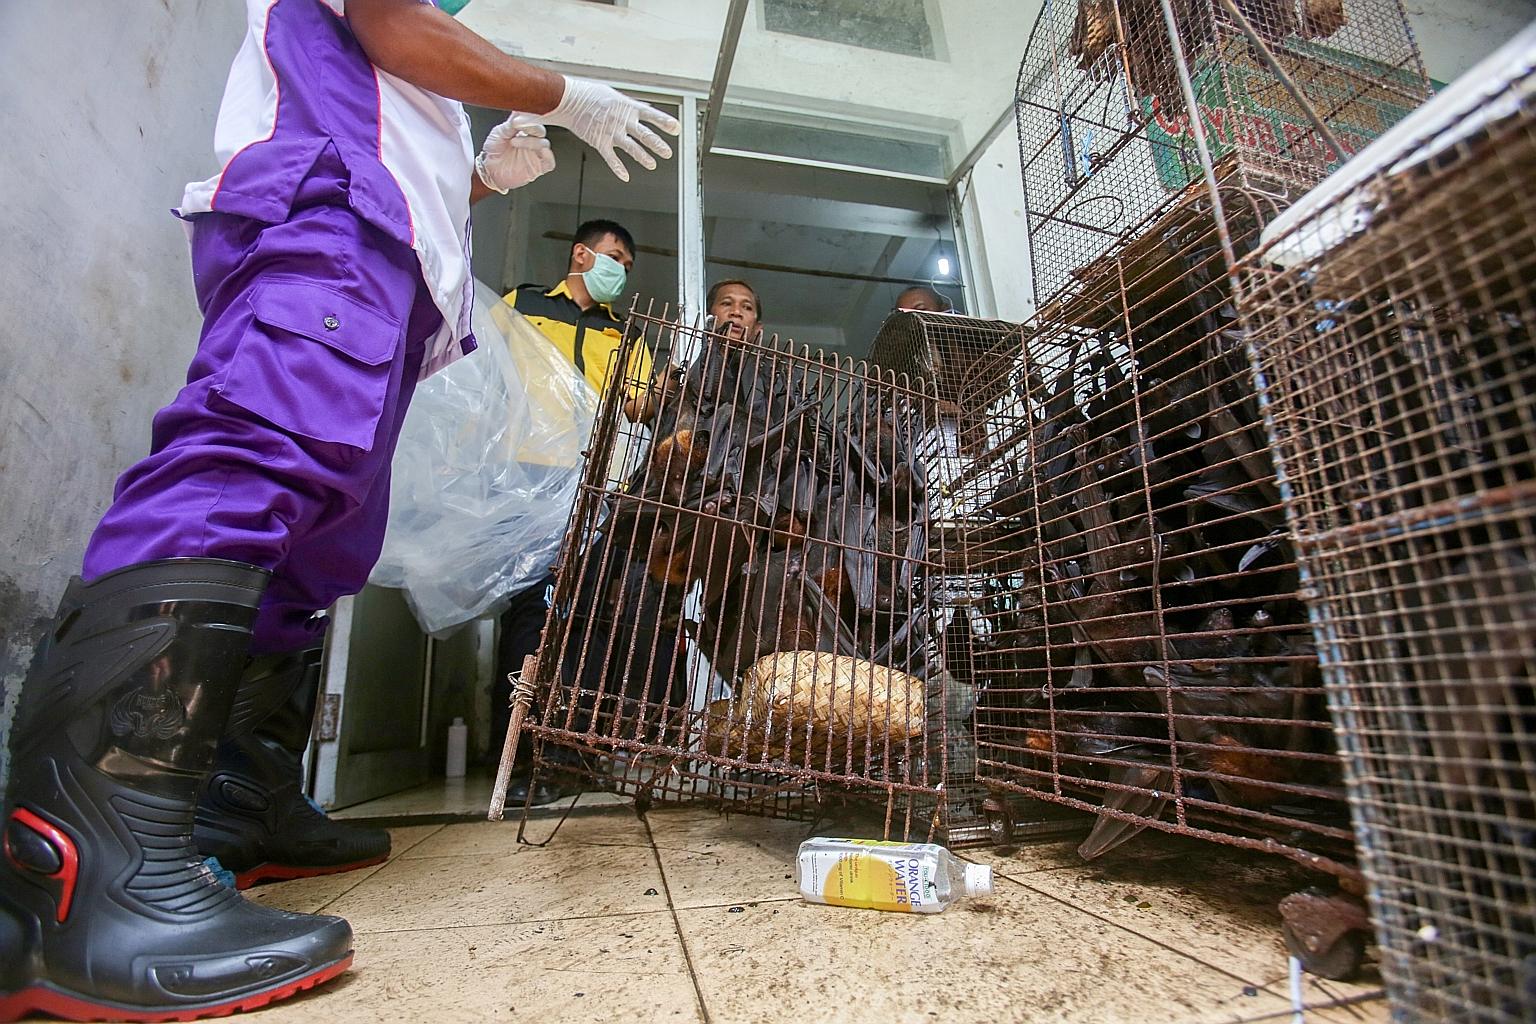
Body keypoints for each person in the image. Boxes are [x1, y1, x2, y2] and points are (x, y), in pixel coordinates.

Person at [0, 0, 677, 1018]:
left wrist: (479, 180)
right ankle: (83, 870)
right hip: (331, 224)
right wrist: (563, 92)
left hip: (389, 261)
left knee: (321, 543)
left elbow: (393, 111)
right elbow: (391, 23)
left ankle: (238, 802)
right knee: (247, 469)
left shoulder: (432, 94)